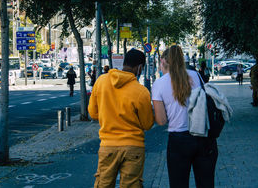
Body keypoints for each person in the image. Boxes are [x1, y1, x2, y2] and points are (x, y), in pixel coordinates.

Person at [152, 45, 218, 188]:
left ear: (163, 61)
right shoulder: (195, 75)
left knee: (178, 184)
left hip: (179, 141)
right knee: (206, 183)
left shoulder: (159, 84)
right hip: (203, 136)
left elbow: (161, 121)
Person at [88, 49, 154, 188]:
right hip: (134, 147)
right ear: (140, 67)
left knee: (103, 184)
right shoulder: (141, 92)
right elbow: (147, 124)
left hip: (107, 146)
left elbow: (93, 113)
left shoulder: (101, 81)